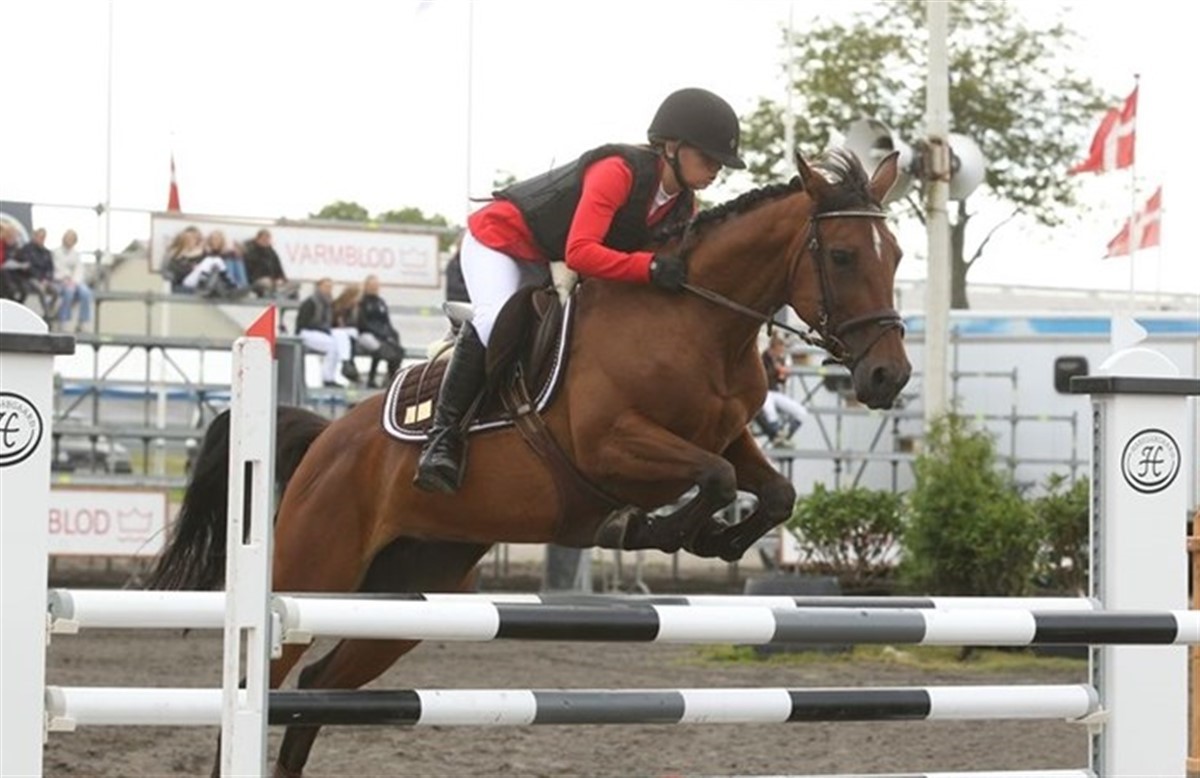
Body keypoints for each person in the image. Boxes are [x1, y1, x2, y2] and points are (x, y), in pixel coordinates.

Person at [414, 86, 745, 494]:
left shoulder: (683, 206)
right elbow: (582, 253)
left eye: (720, 163)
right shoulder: (618, 170)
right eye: (709, 158)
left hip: (547, 259)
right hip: (500, 242)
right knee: (496, 320)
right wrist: (650, 267)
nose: (716, 169)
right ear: (672, 147)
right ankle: (442, 438)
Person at [296, 277, 361, 388]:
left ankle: (345, 363)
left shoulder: (328, 303)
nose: (329, 289)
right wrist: (324, 328)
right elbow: (304, 323)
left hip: (322, 332)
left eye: (330, 287)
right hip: (307, 332)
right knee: (332, 346)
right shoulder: (310, 302)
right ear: (318, 287)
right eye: (326, 286)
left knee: (340, 336)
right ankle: (328, 377)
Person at [759, 334, 809, 446]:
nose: (780, 353)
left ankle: (787, 435)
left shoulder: (780, 360)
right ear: (773, 348)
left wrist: (783, 376)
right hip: (764, 392)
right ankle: (777, 434)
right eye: (779, 350)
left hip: (775, 391)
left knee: (801, 412)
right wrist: (776, 370)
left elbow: (780, 380)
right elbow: (762, 377)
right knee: (770, 411)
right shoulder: (763, 358)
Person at [355, 274, 405, 388]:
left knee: (397, 350)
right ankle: (372, 378)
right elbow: (362, 323)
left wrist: (391, 334)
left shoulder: (380, 302)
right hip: (367, 334)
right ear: (366, 286)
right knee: (380, 348)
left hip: (382, 334)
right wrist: (379, 334)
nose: (374, 288)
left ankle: (392, 378)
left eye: (376, 285)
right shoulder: (362, 302)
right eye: (371, 285)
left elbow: (386, 321)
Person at [52, 229, 93, 332]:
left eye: (71, 239)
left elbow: (79, 270)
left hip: (74, 282)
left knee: (86, 293)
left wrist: (74, 281)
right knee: (69, 292)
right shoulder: (56, 252)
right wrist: (65, 279)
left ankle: (83, 322)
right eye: (68, 238)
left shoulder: (76, 254)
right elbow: (56, 268)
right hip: (60, 281)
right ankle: (64, 320)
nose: (69, 241)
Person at [14, 228, 59, 320]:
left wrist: (46, 279)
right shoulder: (26, 249)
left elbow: (50, 268)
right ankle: (47, 315)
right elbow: (27, 266)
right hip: (30, 278)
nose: (41, 239)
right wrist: (40, 279)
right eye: (39, 237)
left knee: (55, 292)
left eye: (43, 237)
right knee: (41, 289)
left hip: (44, 280)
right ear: (34, 236)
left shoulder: (47, 253)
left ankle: (48, 311)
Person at [243, 229, 299, 299]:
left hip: (273, 280)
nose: (266, 242)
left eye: (268, 240)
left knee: (295, 284)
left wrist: (281, 278)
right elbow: (252, 271)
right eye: (264, 240)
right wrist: (271, 279)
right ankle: (271, 297)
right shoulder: (250, 251)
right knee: (266, 282)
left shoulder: (271, 252)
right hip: (257, 280)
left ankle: (282, 296)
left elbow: (278, 267)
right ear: (257, 239)